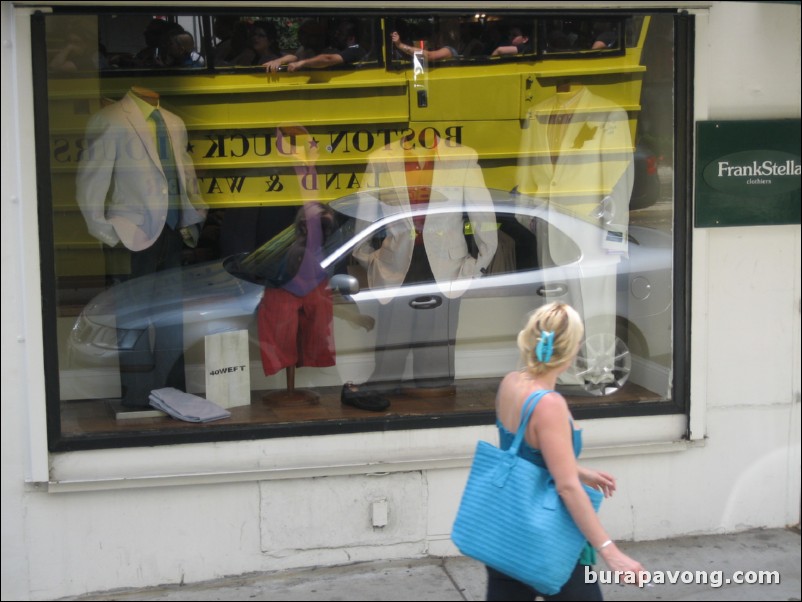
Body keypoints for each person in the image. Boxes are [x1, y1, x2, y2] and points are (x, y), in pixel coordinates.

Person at [488, 302, 645, 600]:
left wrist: (579, 470)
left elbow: (524, 452)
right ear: (572, 351)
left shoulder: (511, 383)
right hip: (548, 537)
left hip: (507, 531)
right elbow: (568, 488)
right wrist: (612, 553)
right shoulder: (549, 404)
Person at [75, 86, 207, 407]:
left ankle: (172, 395)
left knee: (172, 320)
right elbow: (91, 182)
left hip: (173, 232)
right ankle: (138, 398)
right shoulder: (110, 120)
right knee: (132, 319)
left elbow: (185, 174)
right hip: (130, 234)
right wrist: (109, 233)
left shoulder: (174, 122)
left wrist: (194, 218)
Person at [350, 137, 498, 394]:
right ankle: (385, 384)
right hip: (395, 261)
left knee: (437, 350)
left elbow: (482, 213)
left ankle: (435, 388)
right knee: (391, 339)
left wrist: (478, 264)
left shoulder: (462, 156)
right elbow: (365, 211)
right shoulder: (382, 159)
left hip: (447, 263)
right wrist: (367, 257)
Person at [282, 19, 366, 70]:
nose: (336, 35)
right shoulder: (303, 50)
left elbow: (328, 59)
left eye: (341, 33)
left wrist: (301, 63)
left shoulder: (356, 50)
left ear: (351, 38)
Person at [263, 19, 327, 72]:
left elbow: (293, 58)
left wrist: (277, 62)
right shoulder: (302, 49)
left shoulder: (328, 52)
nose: (302, 36)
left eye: (309, 34)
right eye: (301, 33)